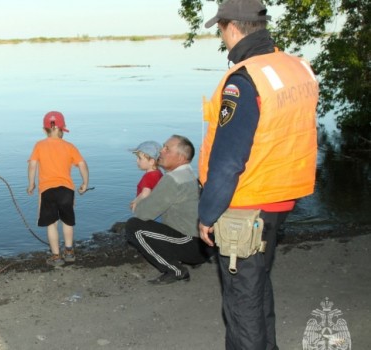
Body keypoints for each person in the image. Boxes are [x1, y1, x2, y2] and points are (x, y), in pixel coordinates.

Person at [197, 0, 319, 348]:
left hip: (244, 206)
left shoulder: (245, 79)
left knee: (242, 304)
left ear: (232, 28)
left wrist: (207, 213)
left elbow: (228, 159)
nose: (223, 38)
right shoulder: (295, 67)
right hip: (279, 198)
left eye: (221, 30)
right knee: (257, 289)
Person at [125, 135, 207, 284]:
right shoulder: (188, 173)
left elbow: (142, 213)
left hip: (191, 244)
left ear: (181, 157)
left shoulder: (173, 179)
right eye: (163, 147)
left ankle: (176, 271)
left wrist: (140, 201)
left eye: (167, 149)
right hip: (203, 243)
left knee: (134, 227)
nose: (161, 151)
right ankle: (193, 261)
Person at [27, 111, 89, 267]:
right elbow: (82, 164)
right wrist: (85, 183)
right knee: (68, 221)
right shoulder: (69, 146)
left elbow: (33, 165)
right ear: (62, 129)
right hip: (67, 190)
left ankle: (56, 256)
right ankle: (69, 252)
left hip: (47, 190)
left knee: (52, 224)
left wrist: (31, 183)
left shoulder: (39, 145)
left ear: (44, 129)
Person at [129, 141, 163, 212]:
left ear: (151, 161)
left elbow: (145, 193)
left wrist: (135, 202)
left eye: (140, 158)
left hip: (148, 212)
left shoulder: (148, 176)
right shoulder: (159, 173)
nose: (137, 160)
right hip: (158, 210)